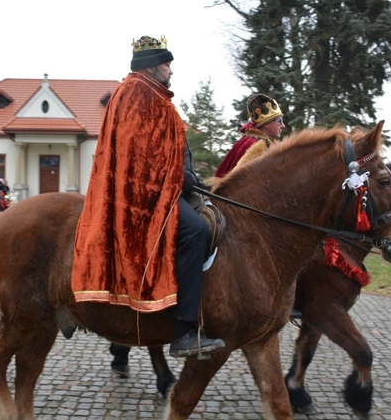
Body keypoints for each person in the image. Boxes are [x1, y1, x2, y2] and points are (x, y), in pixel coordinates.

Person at [72, 35, 225, 358]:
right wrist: (183, 179)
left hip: (162, 186)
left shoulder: (149, 93)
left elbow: (164, 149)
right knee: (195, 231)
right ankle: (183, 331)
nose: (171, 69)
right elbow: (142, 154)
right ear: (153, 65)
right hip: (143, 196)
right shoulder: (138, 93)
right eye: (167, 63)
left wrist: (191, 179)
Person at [214, 93, 285, 178]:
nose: (283, 126)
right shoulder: (259, 145)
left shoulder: (249, 140)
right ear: (266, 124)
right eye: (279, 121)